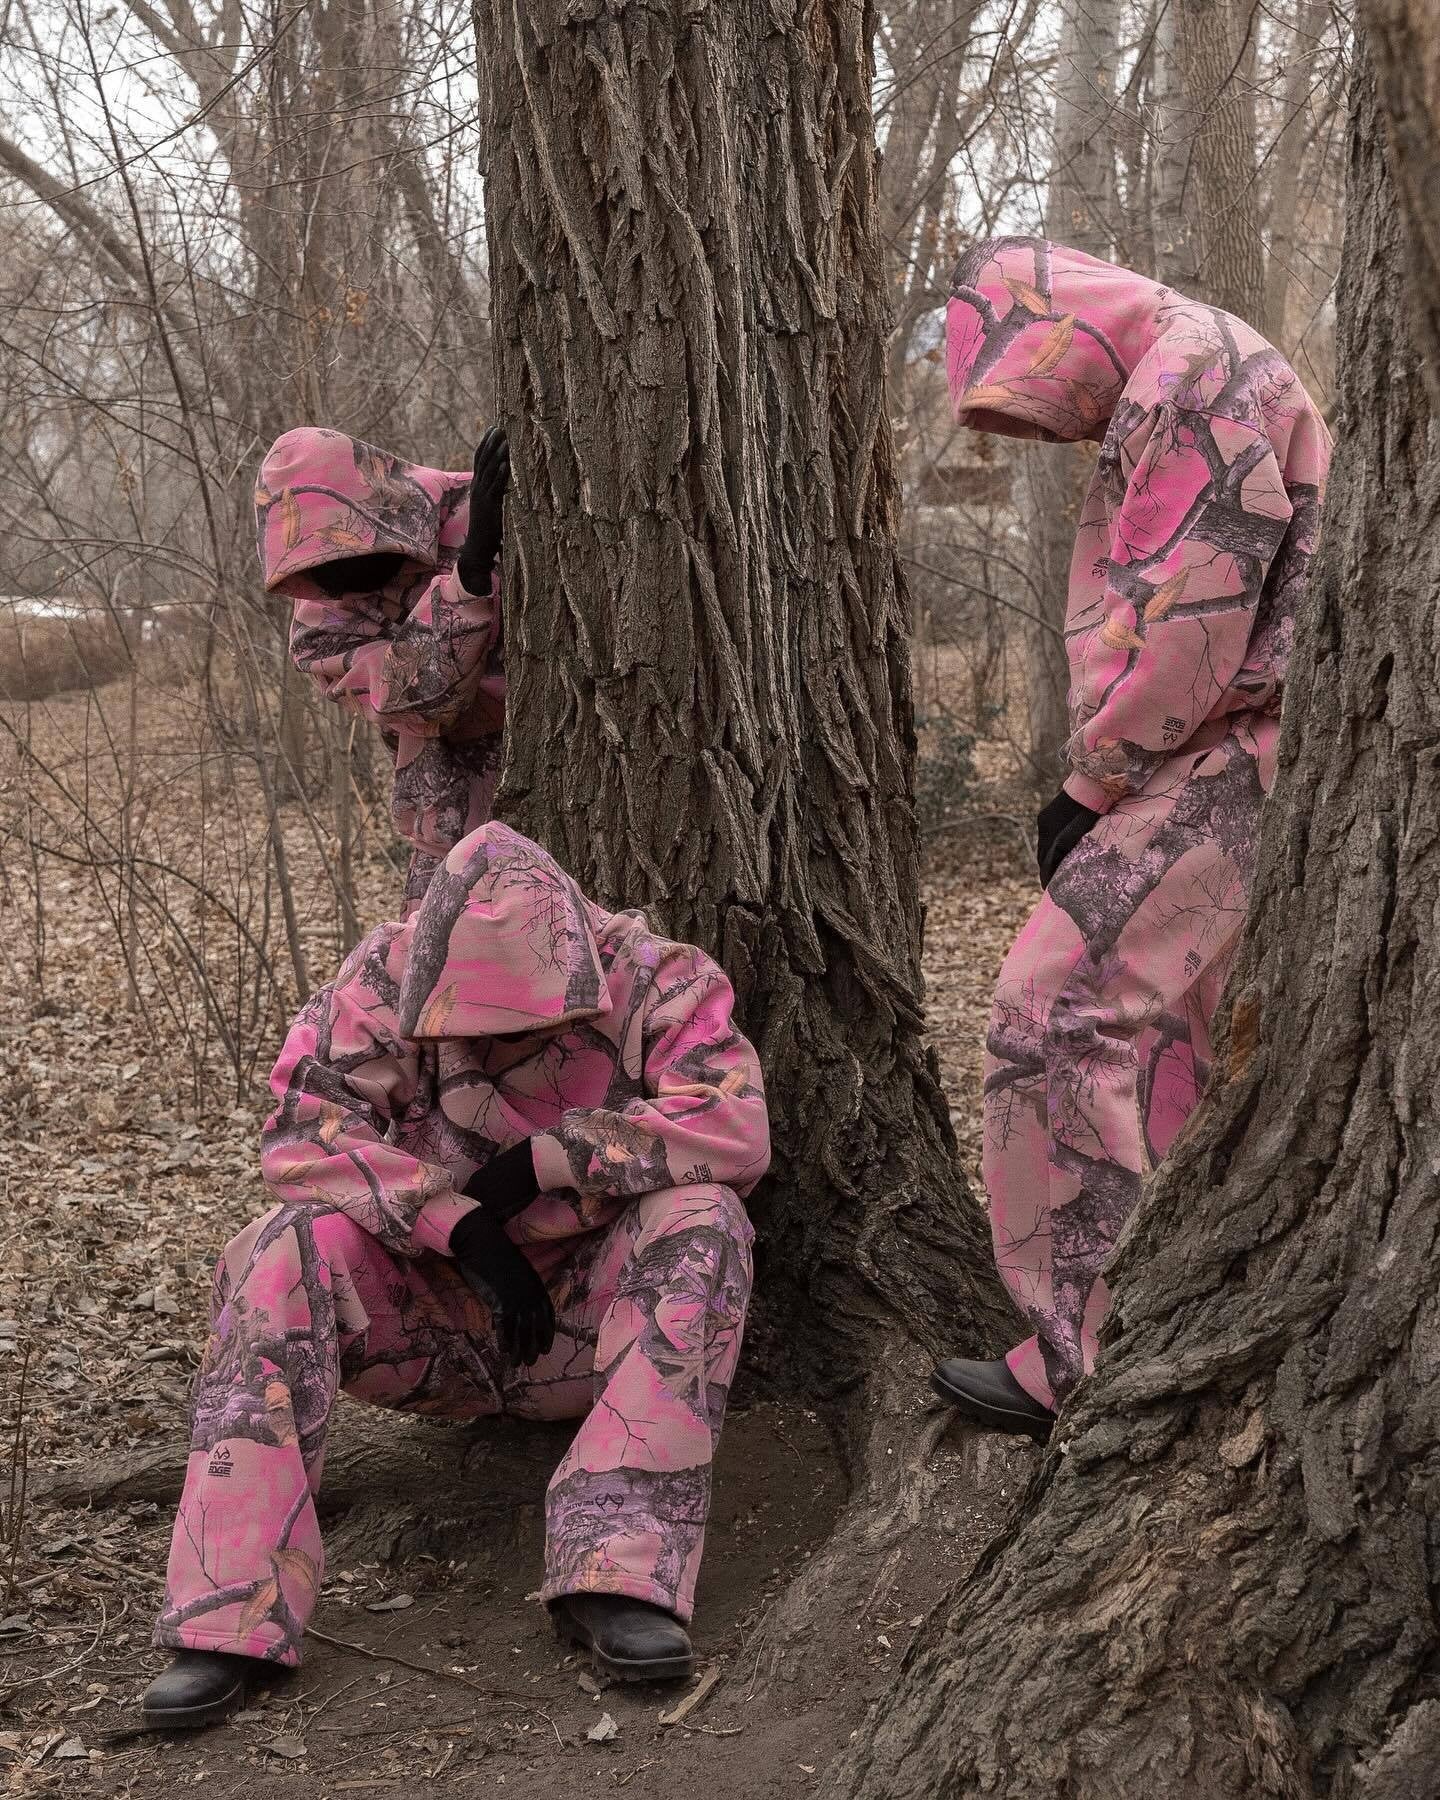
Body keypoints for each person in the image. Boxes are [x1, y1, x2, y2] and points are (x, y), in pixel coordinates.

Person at [141, 821, 768, 1727]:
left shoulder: (659, 975)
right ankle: (226, 1614)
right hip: (425, 1316)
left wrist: (552, 1160)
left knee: (706, 1218)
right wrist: (459, 1224)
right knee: (281, 1244)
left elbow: (736, 1129)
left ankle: (618, 1574)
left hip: (587, 1319)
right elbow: (303, 1135)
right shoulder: (382, 975)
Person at [931, 237, 1330, 1441]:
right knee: (1164, 1044)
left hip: (1222, 753)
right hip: (1222, 750)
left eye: (1032, 394)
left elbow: (1190, 620)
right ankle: (1159, 1320)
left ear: (1061, 326)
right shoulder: (1185, 366)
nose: (1048, 429)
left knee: (1056, 1009)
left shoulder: (1188, 371)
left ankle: (1080, 1357)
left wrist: (1092, 780)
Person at [256, 426, 512, 910]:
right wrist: (472, 568)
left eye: (347, 546)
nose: (337, 575)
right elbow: (415, 701)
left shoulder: (476, 498)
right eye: (319, 562)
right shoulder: (319, 632)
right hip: (460, 826)